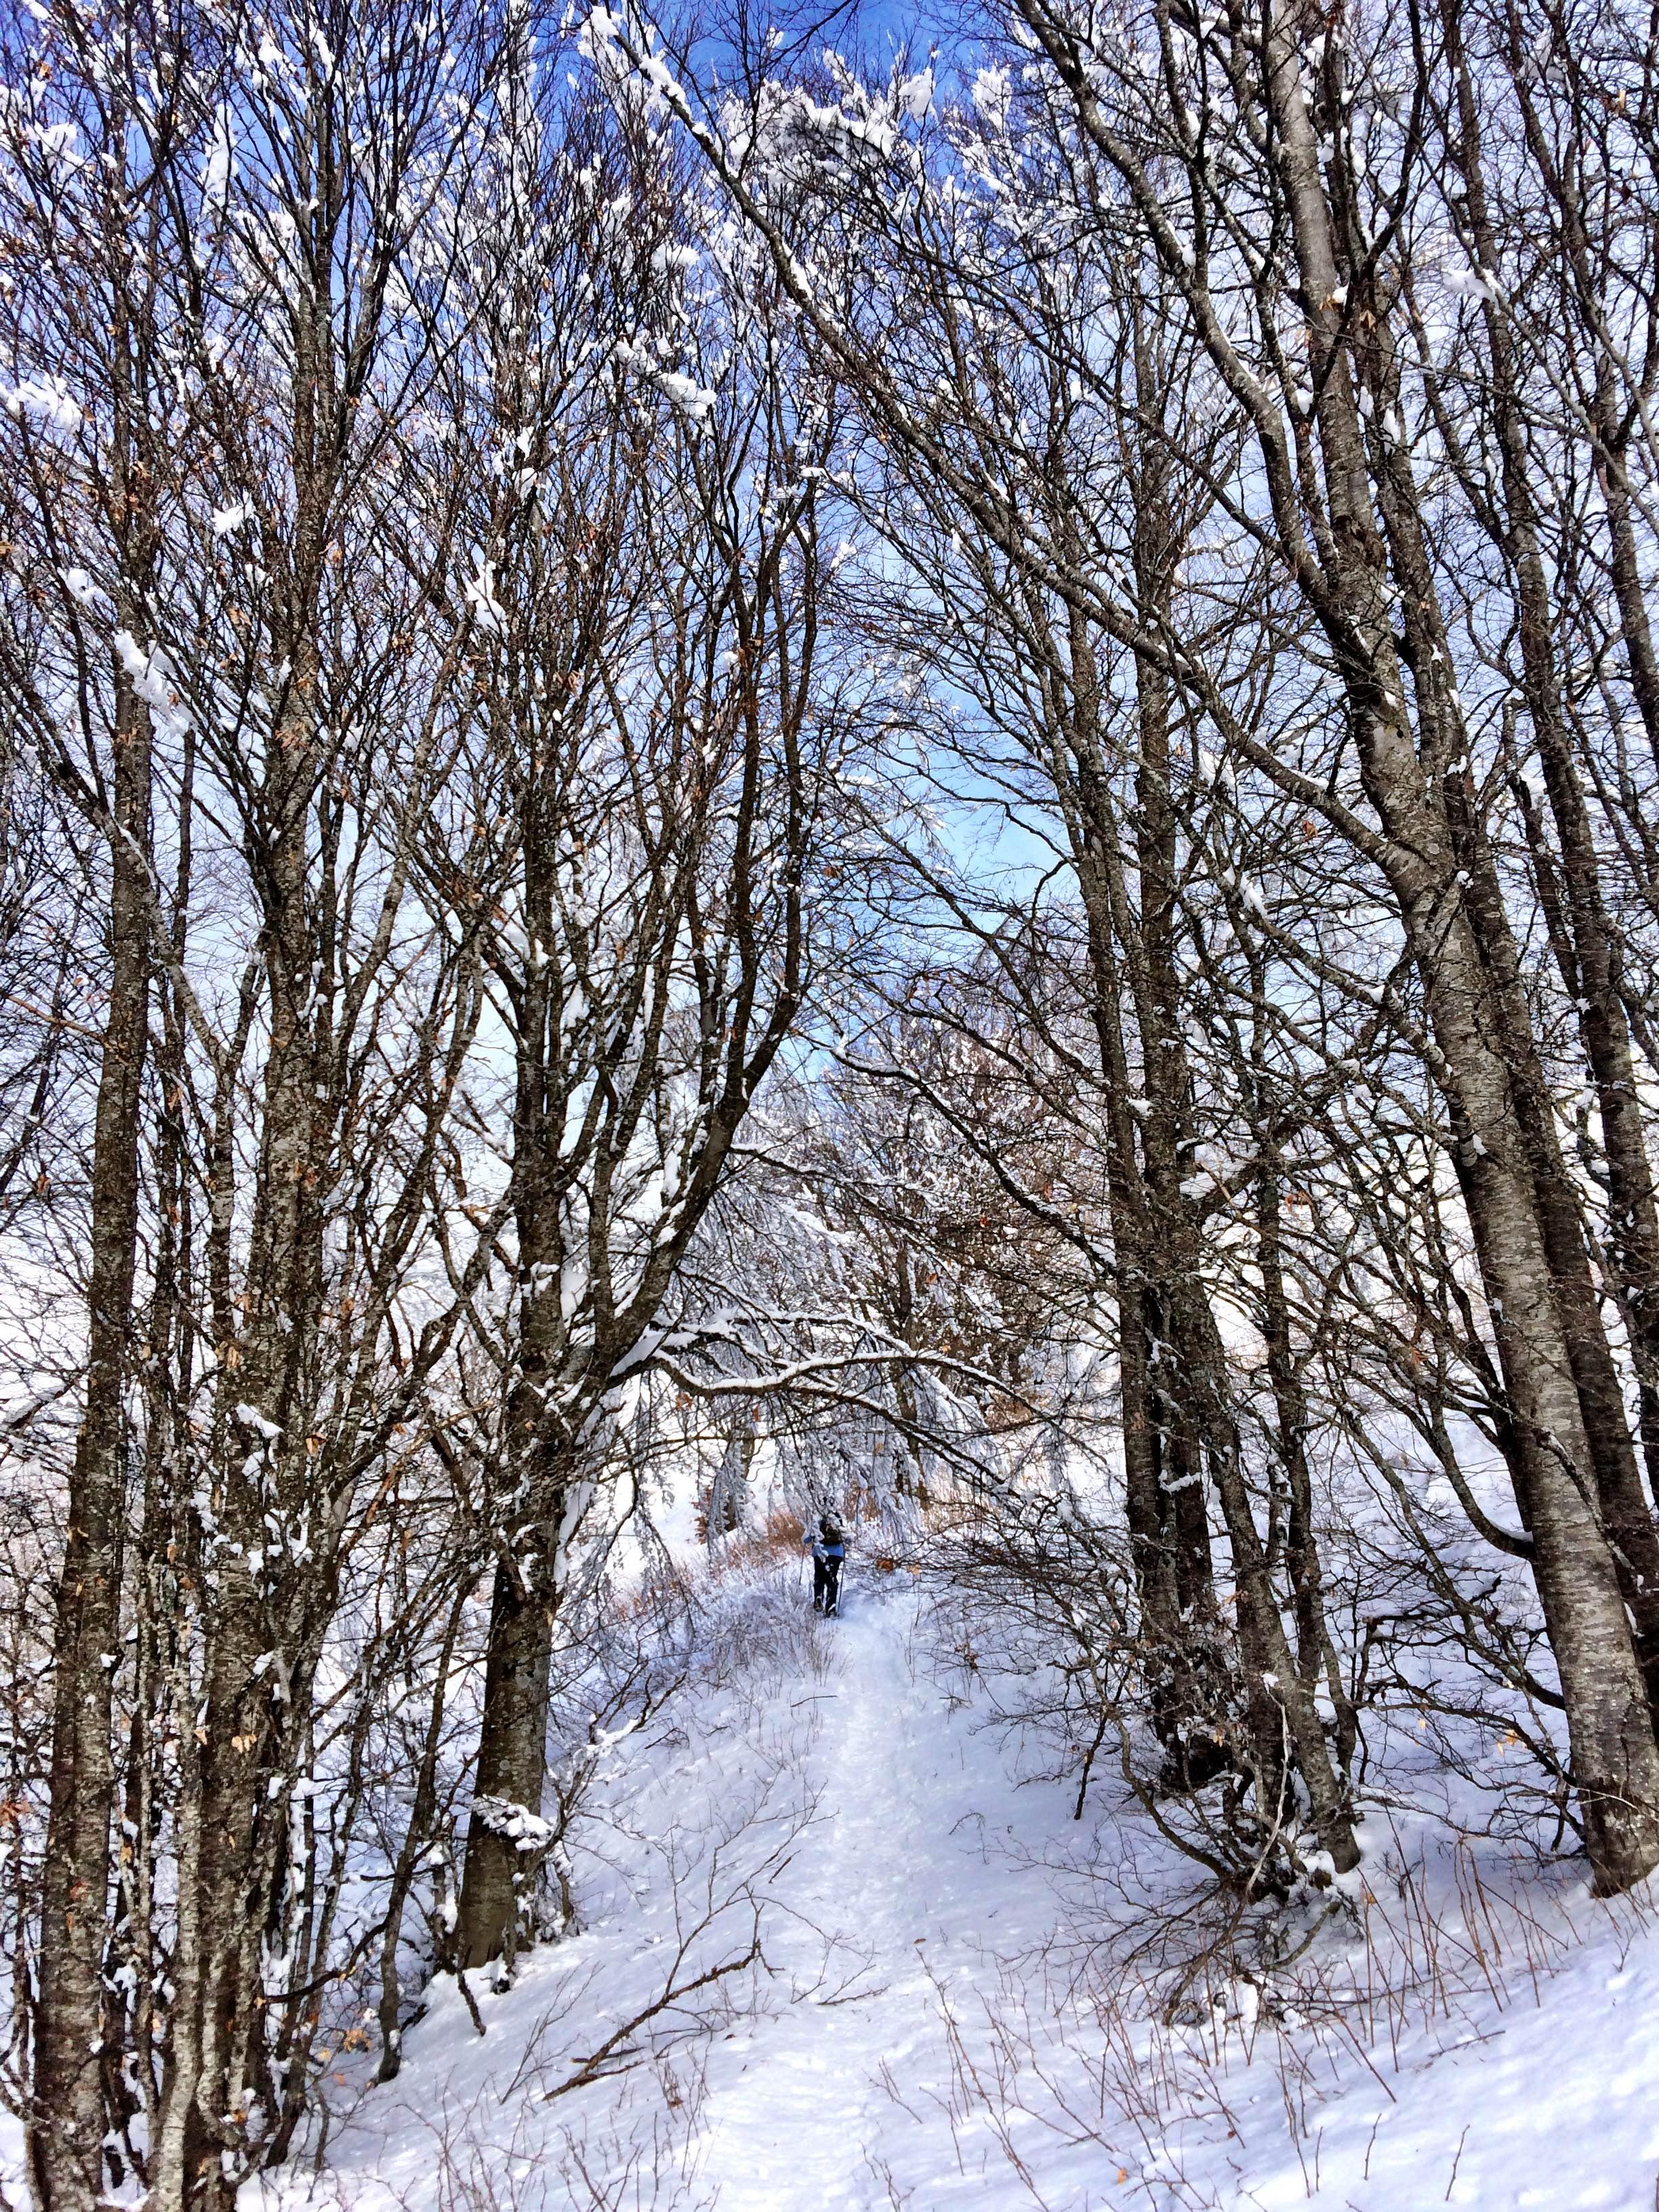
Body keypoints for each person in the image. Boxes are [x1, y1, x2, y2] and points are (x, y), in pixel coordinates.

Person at [806, 1512, 845, 1617]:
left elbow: (806, 1539)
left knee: (819, 1578)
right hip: (836, 1555)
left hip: (820, 1553)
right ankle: (831, 1610)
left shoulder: (819, 1520)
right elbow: (847, 1537)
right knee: (832, 1580)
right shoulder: (838, 1520)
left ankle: (818, 1596)